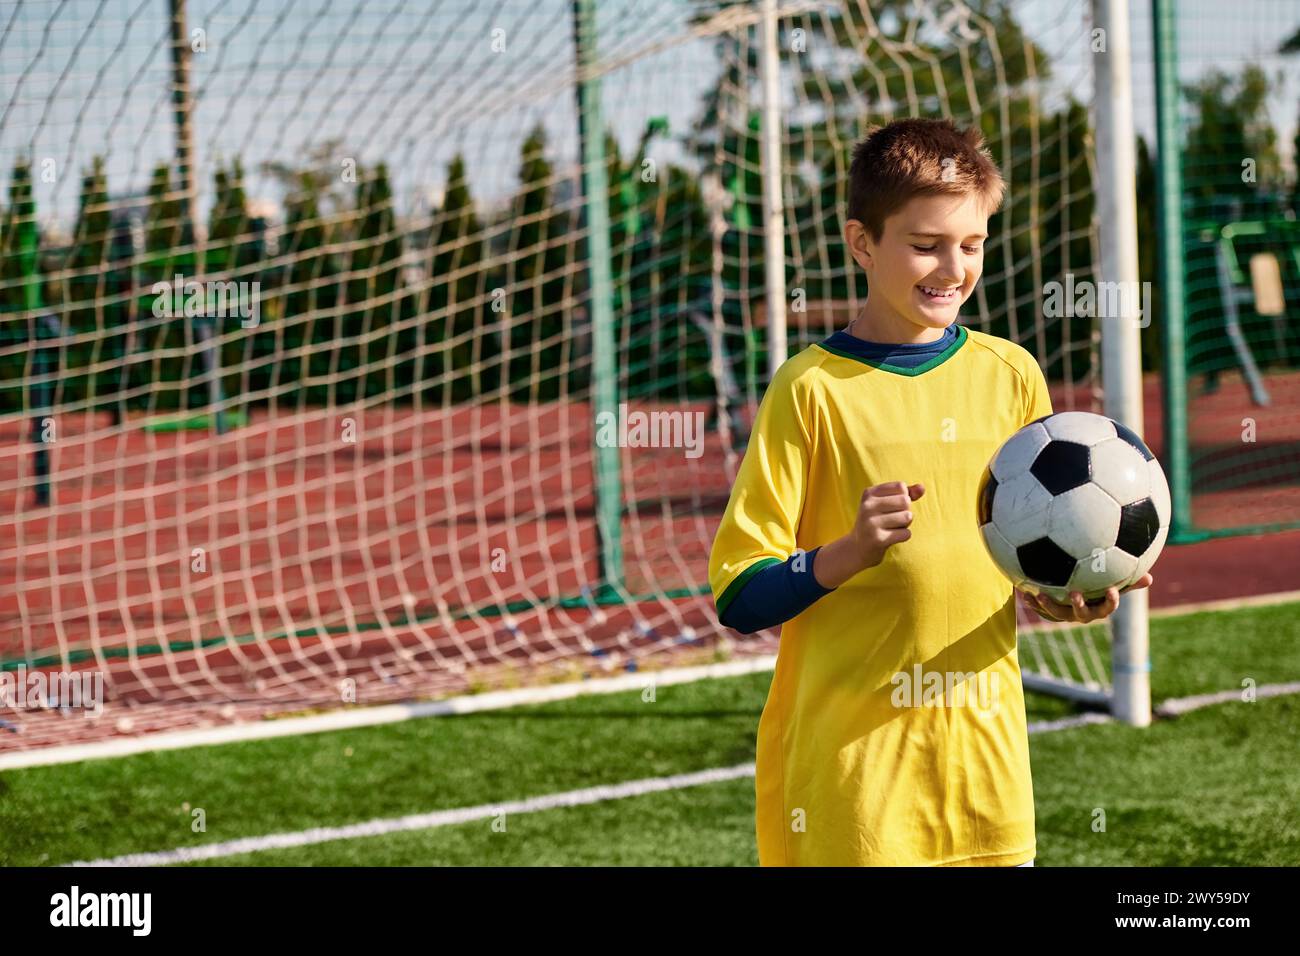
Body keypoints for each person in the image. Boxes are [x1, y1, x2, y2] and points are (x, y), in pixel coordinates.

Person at [708, 118, 1153, 866]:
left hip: (985, 780)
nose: (952, 267)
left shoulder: (1011, 375)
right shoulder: (810, 390)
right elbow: (737, 595)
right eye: (925, 245)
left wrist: (1063, 593)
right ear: (862, 244)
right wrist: (845, 553)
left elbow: (1023, 549)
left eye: (972, 245)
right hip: (857, 793)